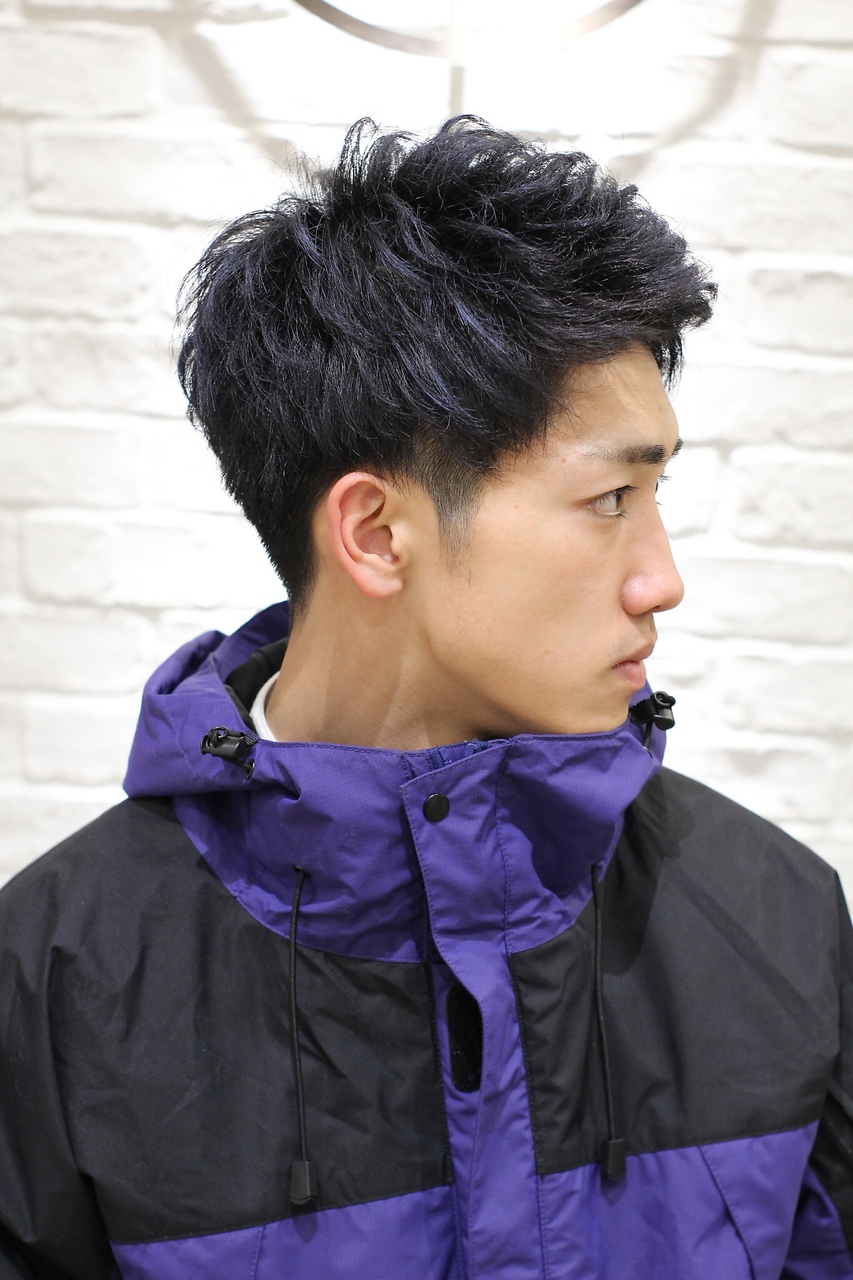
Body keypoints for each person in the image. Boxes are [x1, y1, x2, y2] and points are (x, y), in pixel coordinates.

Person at [0, 117, 850, 1280]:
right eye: (609, 499)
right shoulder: (59, 982)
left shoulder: (779, 919)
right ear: (374, 531)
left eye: (658, 497)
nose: (661, 578)